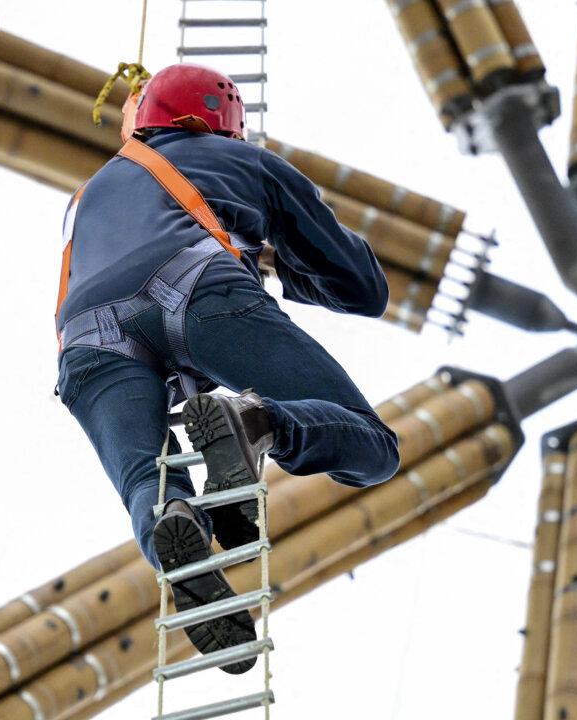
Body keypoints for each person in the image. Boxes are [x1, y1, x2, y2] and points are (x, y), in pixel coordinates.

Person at [54, 63, 401, 672]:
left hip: (86, 339)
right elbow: (363, 288)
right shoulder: (244, 161)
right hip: (198, 290)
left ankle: (176, 525)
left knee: (148, 484)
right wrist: (281, 266)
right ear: (226, 125)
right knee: (373, 448)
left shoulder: (84, 199)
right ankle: (258, 424)